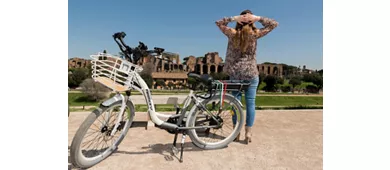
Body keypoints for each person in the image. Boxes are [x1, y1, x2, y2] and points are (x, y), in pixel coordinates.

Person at [215, 9, 278, 144]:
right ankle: (248, 133)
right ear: (252, 22)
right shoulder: (255, 34)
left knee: (234, 104)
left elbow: (218, 23)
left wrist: (234, 18)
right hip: (251, 73)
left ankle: (235, 131)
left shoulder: (232, 33)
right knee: (251, 104)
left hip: (235, 74)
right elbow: (273, 24)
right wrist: (258, 18)